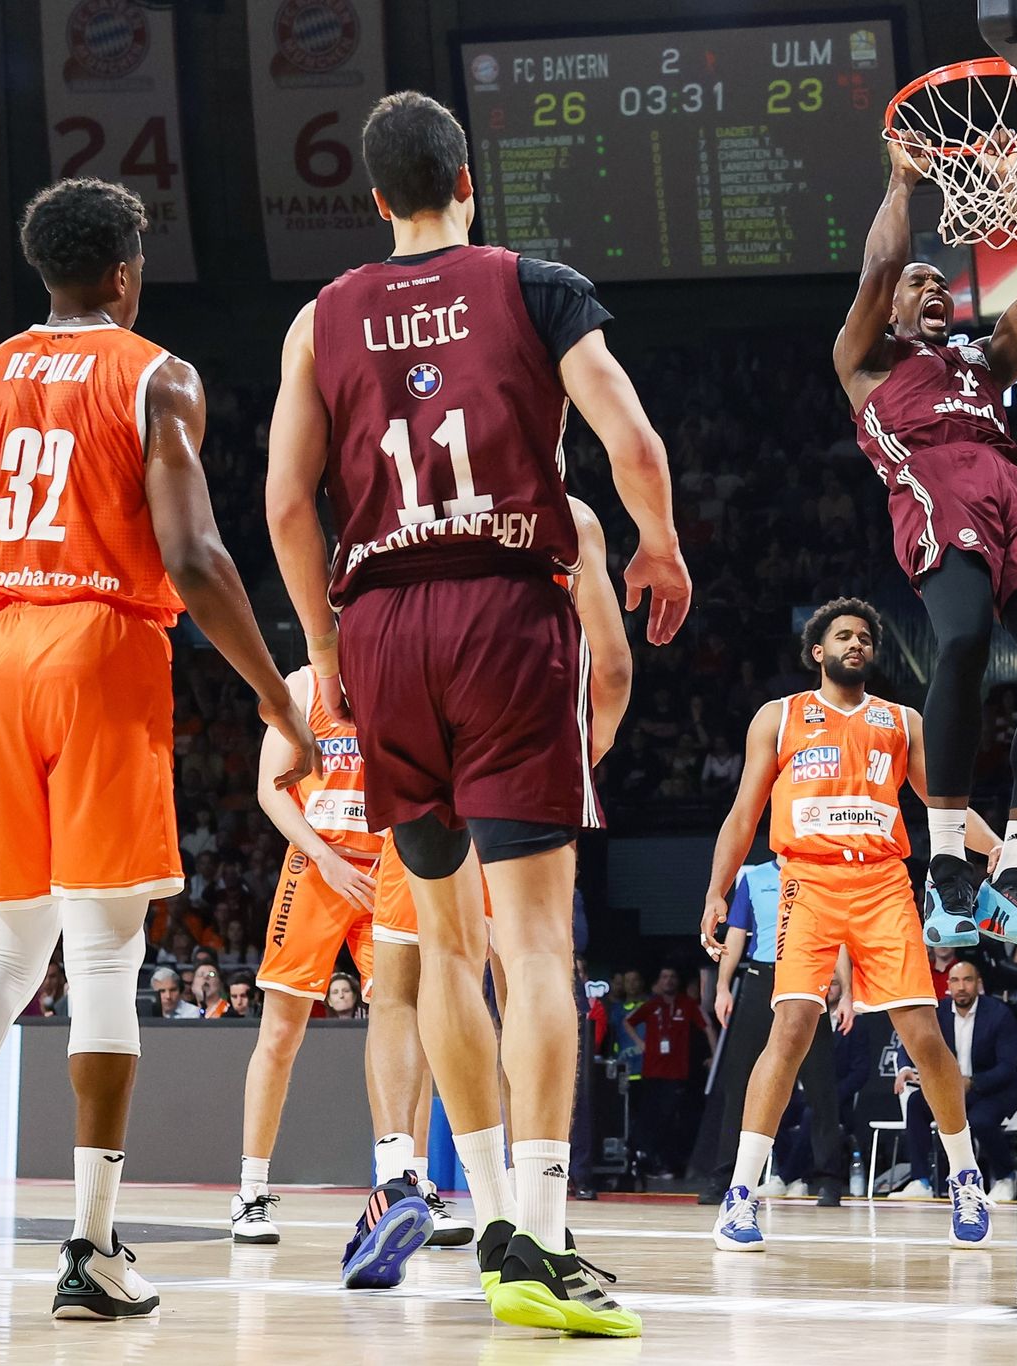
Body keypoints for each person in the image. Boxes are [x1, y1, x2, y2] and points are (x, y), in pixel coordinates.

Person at [0, 178, 316, 1321]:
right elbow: (194, 557)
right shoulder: (158, 375)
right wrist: (278, 700)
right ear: (124, 273)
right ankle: (92, 1247)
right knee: (103, 956)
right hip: (102, 647)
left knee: (8, 954)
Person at [265, 90, 686, 1337]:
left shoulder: (319, 318)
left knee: (442, 945)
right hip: (505, 611)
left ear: (377, 199)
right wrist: (658, 543)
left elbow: (286, 505)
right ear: (465, 180)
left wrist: (324, 648)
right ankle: (543, 1234)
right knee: (537, 945)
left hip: (382, 629)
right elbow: (630, 436)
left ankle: (489, 1210)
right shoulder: (535, 286)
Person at [346, 491, 632, 1283]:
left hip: (408, 709)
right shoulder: (564, 513)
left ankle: (417, 1180)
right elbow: (611, 672)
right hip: (515, 739)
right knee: (529, 969)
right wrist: (571, 764)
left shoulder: (387, 505)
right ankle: (538, 1217)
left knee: (413, 977)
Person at [833, 138, 1017, 959]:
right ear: (891, 310)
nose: (933, 287)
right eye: (920, 283)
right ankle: (946, 867)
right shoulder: (866, 359)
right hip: (936, 482)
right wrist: (902, 182)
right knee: (966, 637)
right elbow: (880, 270)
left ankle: (1013, 875)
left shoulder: (982, 360)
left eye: (941, 282)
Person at [700, 597, 1003, 1252]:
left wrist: (996, 848)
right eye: (843, 636)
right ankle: (741, 1194)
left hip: (882, 882)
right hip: (806, 881)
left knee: (923, 1035)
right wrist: (717, 891)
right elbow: (744, 811)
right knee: (789, 1029)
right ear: (818, 651)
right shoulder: (778, 717)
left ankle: (965, 1176)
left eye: (865, 636)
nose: (856, 643)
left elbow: (943, 803)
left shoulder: (901, 720)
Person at [230, 664, 389, 1243]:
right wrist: (325, 859)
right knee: (280, 1031)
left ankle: (406, 1181)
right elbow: (270, 788)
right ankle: (251, 1192)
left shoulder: (400, 670)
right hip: (317, 865)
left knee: (403, 1024)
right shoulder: (302, 686)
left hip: (386, 867)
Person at [705, 858, 845, 1206]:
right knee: (739, 1083)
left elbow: (839, 936)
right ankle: (725, 1177)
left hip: (806, 976)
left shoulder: (820, 873)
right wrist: (723, 987)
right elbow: (737, 933)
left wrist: (848, 993)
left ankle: (828, 1180)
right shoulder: (754, 878)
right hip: (760, 977)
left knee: (821, 1085)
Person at [890, 961, 1017, 1202]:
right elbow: (910, 1041)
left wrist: (971, 1082)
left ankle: (1006, 1176)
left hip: (993, 1089)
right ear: (948, 985)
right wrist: (905, 1068)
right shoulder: (938, 1012)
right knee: (916, 1104)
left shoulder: (999, 1014)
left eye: (967, 980)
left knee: (980, 1120)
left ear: (979, 984)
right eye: (955, 980)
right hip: (952, 1089)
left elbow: (1008, 1066)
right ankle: (920, 1180)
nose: (961, 987)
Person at [619, 966, 710, 1178]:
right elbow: (627, 1022)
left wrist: (715, 1056)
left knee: (672, 1119)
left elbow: (708, 1027)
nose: (668, 981)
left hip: (677, 1073)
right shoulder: (652, 1005)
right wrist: (641, 1043)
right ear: (659, 981)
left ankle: (669, 1164)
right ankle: (650, 1163)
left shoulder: (687, 1004)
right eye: (664, 977)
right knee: (651, 1118)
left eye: (672, 977)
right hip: (652, 1071)